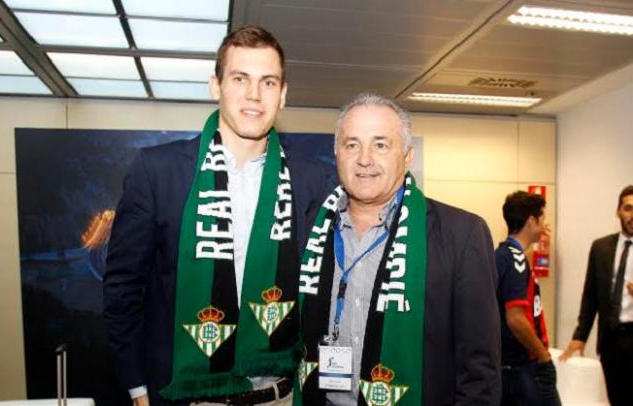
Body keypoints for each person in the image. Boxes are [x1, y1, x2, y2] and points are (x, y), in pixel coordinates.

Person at [103, 26, 326, 406]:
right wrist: (137, 389)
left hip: (278, 395)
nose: (254, 95)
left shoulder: (309, 178)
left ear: (283, 94)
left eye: (268, 82)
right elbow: (123, 288)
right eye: (240, 79)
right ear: (215, 86)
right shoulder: (157, 171)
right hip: (185, 395)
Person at [295, 93, 501, 406]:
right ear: (336, 152)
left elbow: (479, 371)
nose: (365, 159)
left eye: (381, 144)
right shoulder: (309, 227)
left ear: (407, 156)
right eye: (352, 144)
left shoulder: (461, 235)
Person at [560, 185, 633, 406]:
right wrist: (579, 337)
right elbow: (590, 295)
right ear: (618, 211)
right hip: (611, 340)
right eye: (628, 208)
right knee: (615, 398)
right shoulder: (601, 247)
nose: (632, 215)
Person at [495, 191, 560, 406]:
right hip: (523, 369)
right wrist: (543, 356)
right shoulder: (516, 260)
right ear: (531, 221)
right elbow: (515, 318)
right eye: (541, 220)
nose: (544, 226)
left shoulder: (501, 255)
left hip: (506, 369)